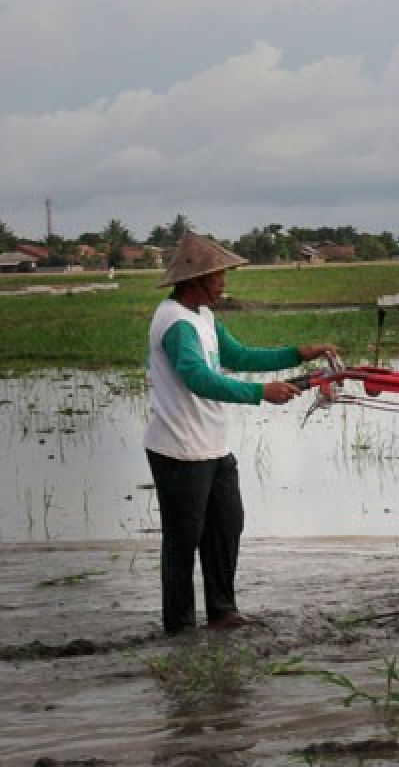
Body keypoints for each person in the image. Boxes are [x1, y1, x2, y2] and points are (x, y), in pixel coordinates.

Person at [144, 232, 337, 635]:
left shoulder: (204, 317)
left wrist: (296, 353)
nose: (224, 283)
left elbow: (238, 355)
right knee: (183, 542)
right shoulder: (175, 323)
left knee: (226, 526)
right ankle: (178, 628)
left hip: (212, 445)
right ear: (196, 280)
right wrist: (259, 394)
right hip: (178, 450)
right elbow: (197, 378)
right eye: (219, 276)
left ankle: (222, 612)